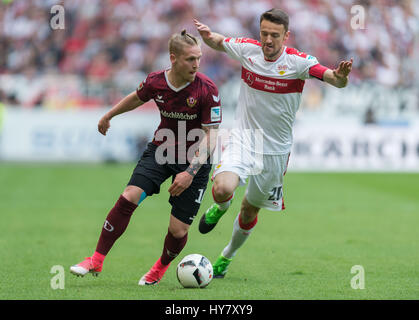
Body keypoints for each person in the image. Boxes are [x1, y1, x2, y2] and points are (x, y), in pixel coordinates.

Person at [194, 8, 353, 278]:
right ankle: (219, 207)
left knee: (249, 210)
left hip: (275, 152)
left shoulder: (299, 63)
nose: (268, 40)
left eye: (275, 35)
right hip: (244, 139)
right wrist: (207, 36)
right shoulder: (248, 50)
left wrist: (341, 76)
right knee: (222, 189)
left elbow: (334, 80)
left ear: (286, 36)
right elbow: (219, 42)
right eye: (264, 33)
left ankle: (227, 255)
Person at [70, 30, 222, 285]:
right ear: (173, 58)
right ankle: (96, 259)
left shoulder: (207, 89)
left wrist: (189, 172)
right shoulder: (156, 81)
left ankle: (160, 267)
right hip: (161, 151)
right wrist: (109, 115)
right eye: (190, 59)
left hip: (195, 160)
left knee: (178, 230)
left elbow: (212, 136)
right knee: (129, 195)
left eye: (199, 58)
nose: (196, 65)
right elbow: (136, 98)